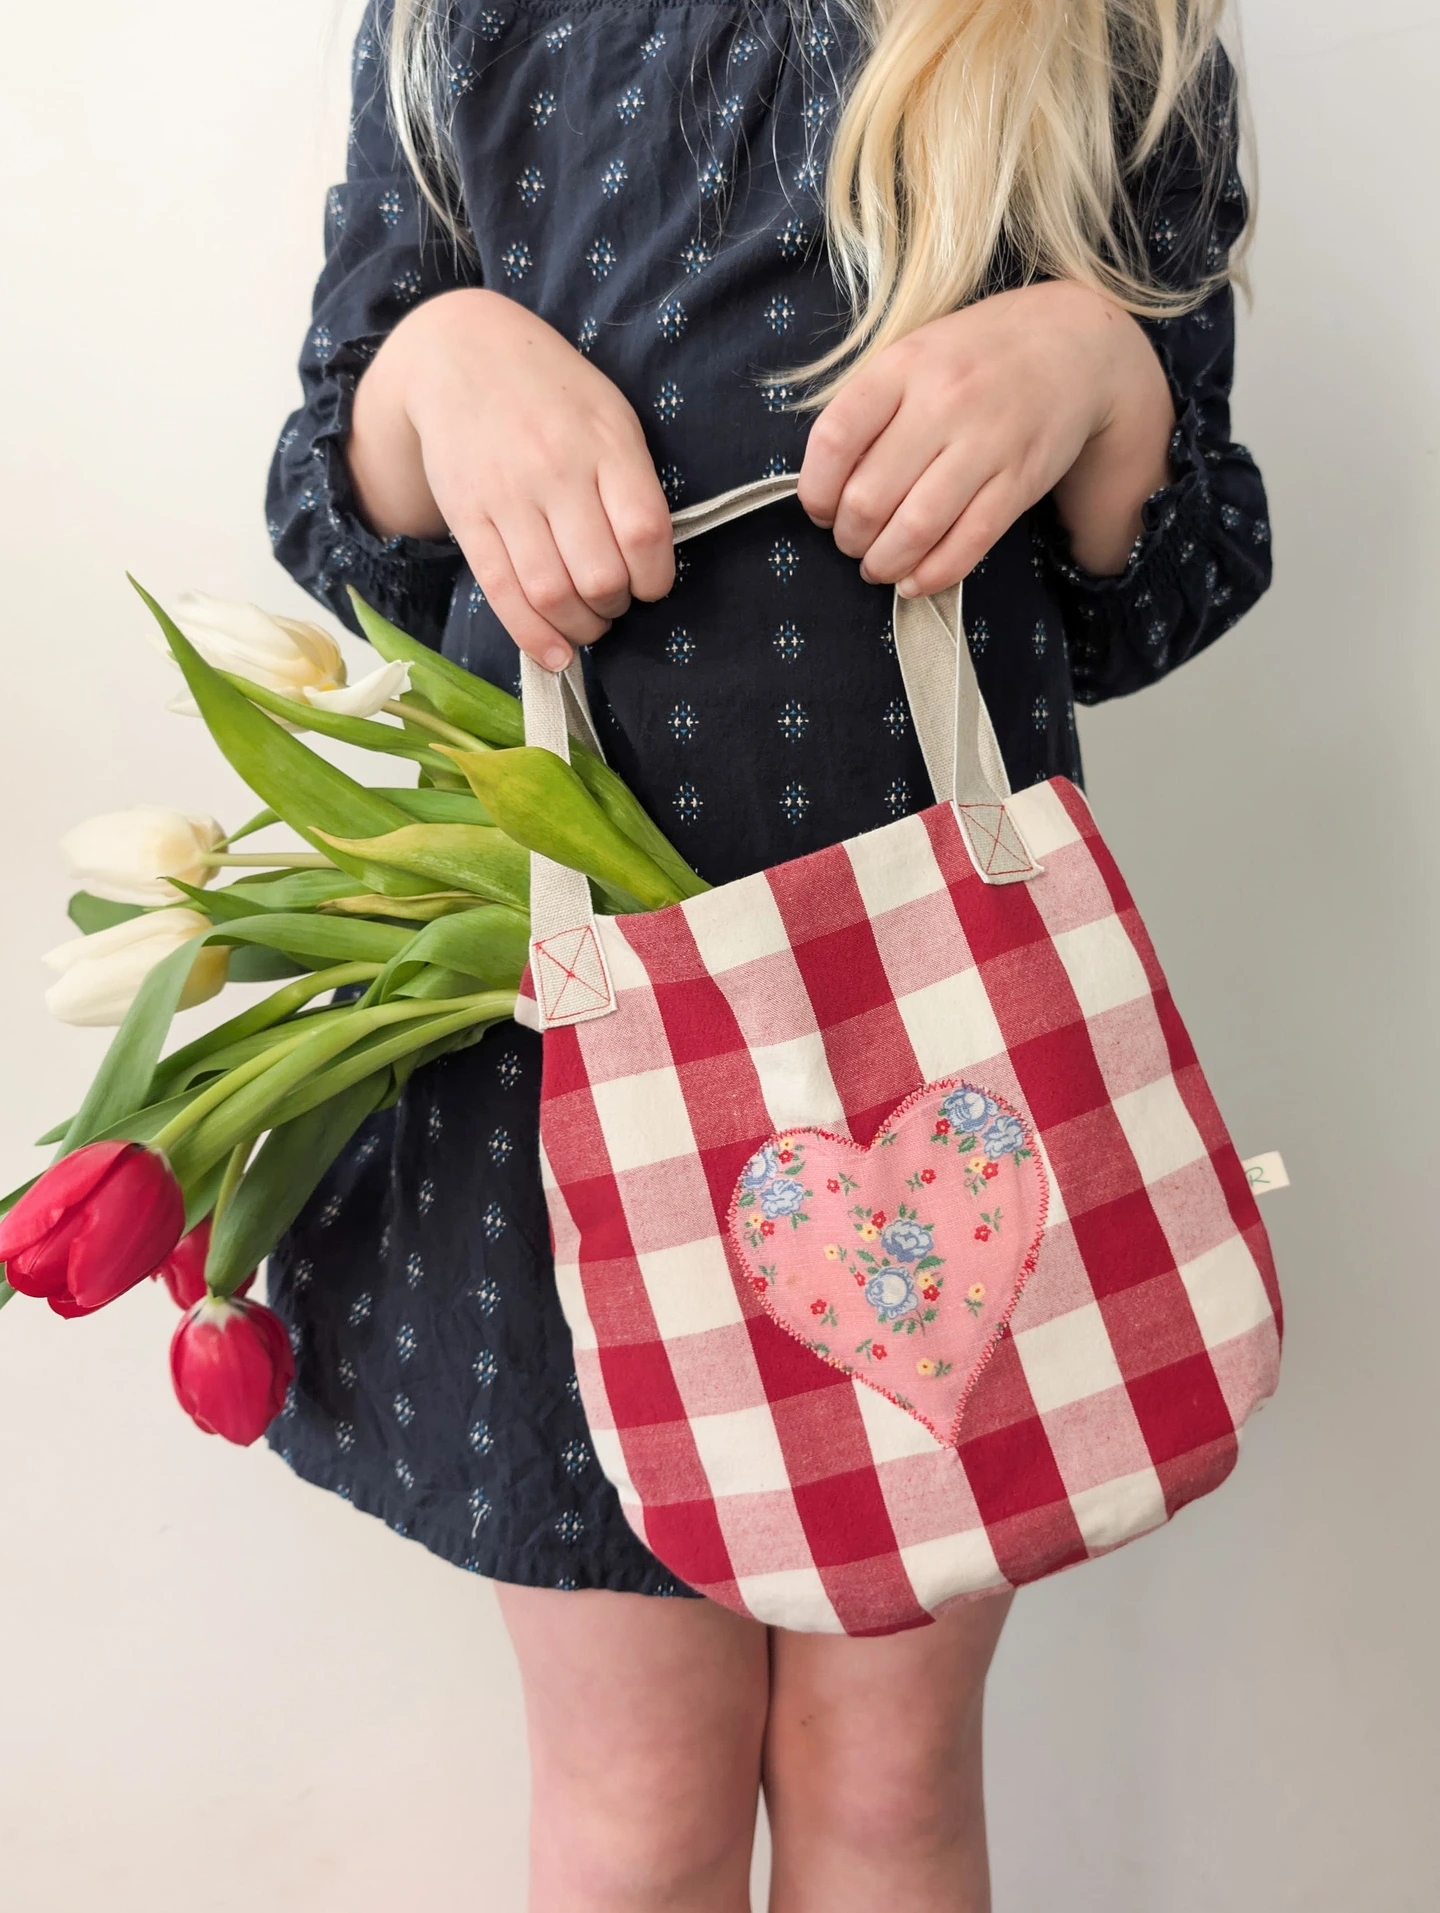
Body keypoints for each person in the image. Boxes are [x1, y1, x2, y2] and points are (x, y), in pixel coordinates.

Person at [265, 2, 1271, 1905]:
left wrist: (1096, 369)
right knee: (634, 1815)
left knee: (889, 1792)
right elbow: (345, 513)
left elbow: (1173, 573)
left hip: (944, 1055)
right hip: (559, 1069)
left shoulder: (1111, 31)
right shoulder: (465, 19)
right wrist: (438, 365)